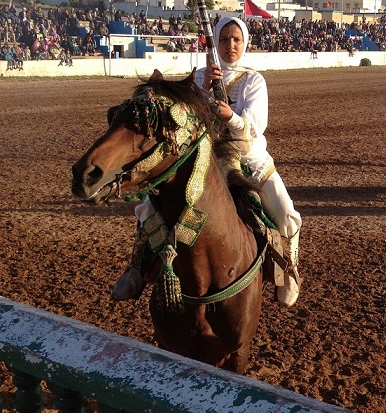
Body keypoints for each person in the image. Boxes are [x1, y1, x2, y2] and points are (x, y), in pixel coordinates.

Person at [112, 16, 303, 307]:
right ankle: (138, 266)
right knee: (148, 205)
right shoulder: (202, 74)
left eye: (237, 39)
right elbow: (185, 119)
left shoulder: (253, 80)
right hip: (204, 157)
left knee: (287, 214)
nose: (231, 45)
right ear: (215, 42)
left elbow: (254, 127)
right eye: (224, 39)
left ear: (245, 42)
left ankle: (287, 272)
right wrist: (200, 89)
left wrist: (231, 116)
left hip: (248, 157)